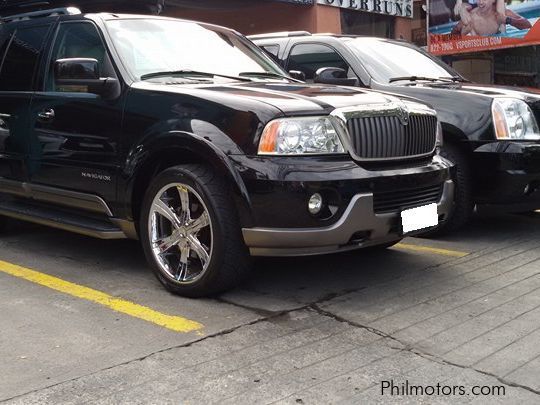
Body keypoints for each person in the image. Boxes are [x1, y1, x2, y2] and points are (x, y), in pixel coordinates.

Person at [452, 0, 531, 35]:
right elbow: (451, 38)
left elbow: (527, 25)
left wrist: (507, 20)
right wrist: (462, 33)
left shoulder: (502, 14)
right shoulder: (471, 17)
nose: (481, 3)